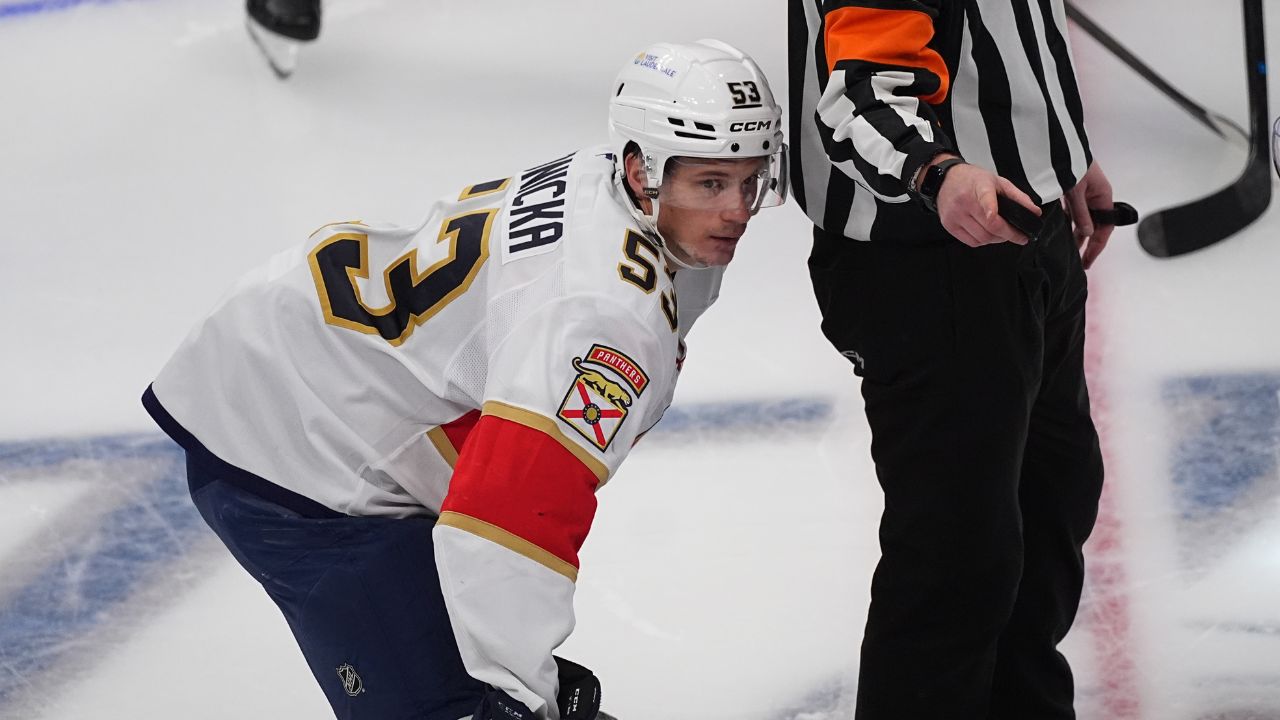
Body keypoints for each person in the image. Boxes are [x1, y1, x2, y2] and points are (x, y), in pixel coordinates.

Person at [142, 39, 787, 720]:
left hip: (310, 359)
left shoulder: (619, 193)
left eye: (751, 180)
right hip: (292, 443)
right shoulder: (600, 318)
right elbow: (506, 519)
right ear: (640, 170)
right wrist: (518, 692)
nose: (738, 211)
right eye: (710, 184)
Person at [789, 2, 1118, 718]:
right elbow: (862, 97)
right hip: (934, 251)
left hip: (1019, 216)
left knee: (1048, 509)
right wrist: (935, 172)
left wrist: (1055, 143)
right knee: (957, 561)